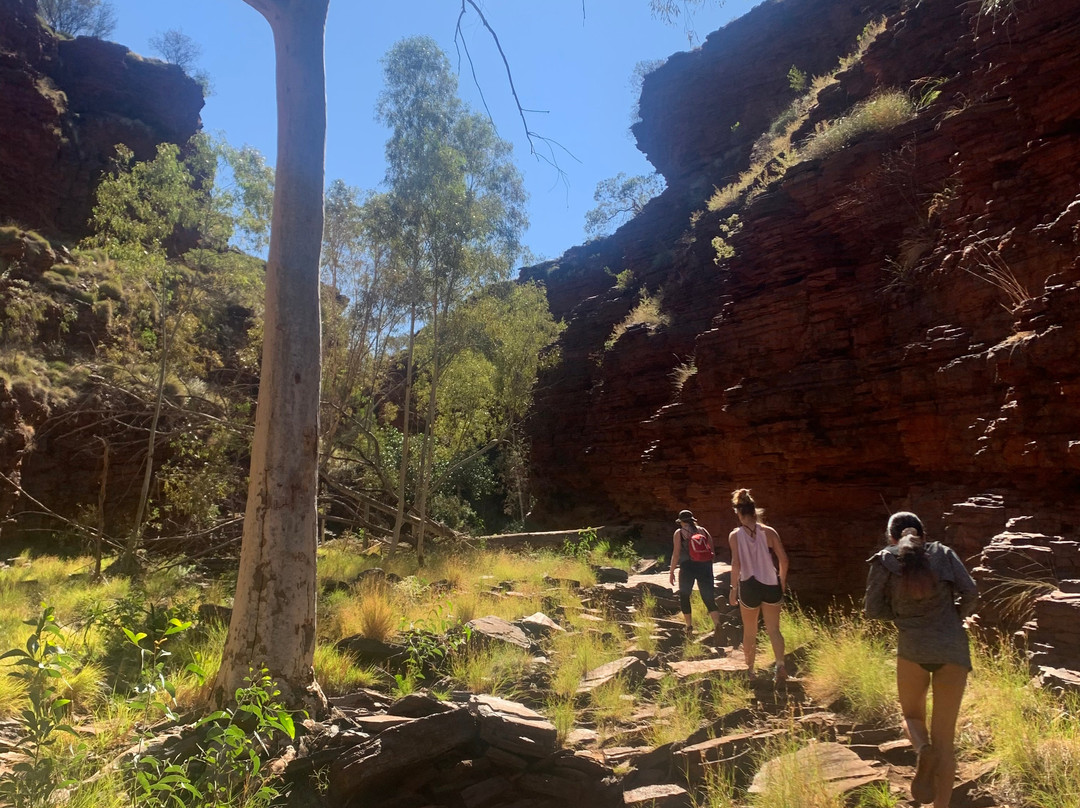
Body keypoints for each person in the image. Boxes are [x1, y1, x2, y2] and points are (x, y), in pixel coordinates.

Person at [864, 511, 978, 807]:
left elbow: (873, 609)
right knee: (947, 741)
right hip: (952, 649)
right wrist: (955, 617)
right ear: (923, 535)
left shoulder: (885, 560)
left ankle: (922, 747)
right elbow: (971, 591)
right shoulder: (944, 554)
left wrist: (903, 618)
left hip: (913, 649)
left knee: (912, 717)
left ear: (891, 537)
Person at [728, 489, 789, 682]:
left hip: (748, 585)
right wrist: (782, 581)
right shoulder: (769, 532)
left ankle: (751, 671)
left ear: (738, 513)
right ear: (754, 510)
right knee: (774, 629)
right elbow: (784, 560)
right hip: (771, 583)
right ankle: (780, 666)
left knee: (750, 630)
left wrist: (733, 590)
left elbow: (736, 564)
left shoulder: (735, 535)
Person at [668, 509, 723, 642]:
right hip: (705, 566)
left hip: (687, 567)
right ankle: (717, 624)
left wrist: (672, 571)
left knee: (685, 595)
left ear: (681, 522)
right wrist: (708, 566)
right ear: (692, 520)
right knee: (708, 596)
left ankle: (689, 627)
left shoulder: (679, 533)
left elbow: (676, 553)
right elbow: (712, 551)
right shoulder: (703, 531)